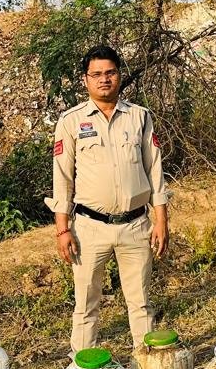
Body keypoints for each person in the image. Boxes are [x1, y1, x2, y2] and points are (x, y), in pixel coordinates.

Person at [47, 45, 170, 352]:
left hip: (135, 226)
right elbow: (61, 178)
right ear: (86, 80)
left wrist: (161, 221)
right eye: (97, 74)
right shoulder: (71, 121)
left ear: (120, 75)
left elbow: (155, 170)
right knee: (86, 306)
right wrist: (62, 230)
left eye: (110, 73)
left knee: (140, 303)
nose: (104, 80)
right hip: (89, 227)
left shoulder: (140, 117)